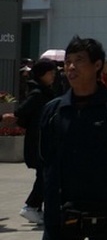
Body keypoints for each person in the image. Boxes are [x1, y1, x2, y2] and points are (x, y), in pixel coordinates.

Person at [38, 36, 107, 238]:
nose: (71, 67)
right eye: (68, 61)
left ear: (98, 65)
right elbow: (44, 158)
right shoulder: (53, 110)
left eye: (79, 60)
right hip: (62, 212)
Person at [7, 58, 58, 225]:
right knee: (46, 176)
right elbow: (21, 113)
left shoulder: (45, 91)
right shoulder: (38, 94)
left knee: (44, 175)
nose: (53, 76)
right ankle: (31, 206)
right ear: (42, 74)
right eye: (50, 73)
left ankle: (36, 209)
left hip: (43, 139)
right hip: (39, 141)